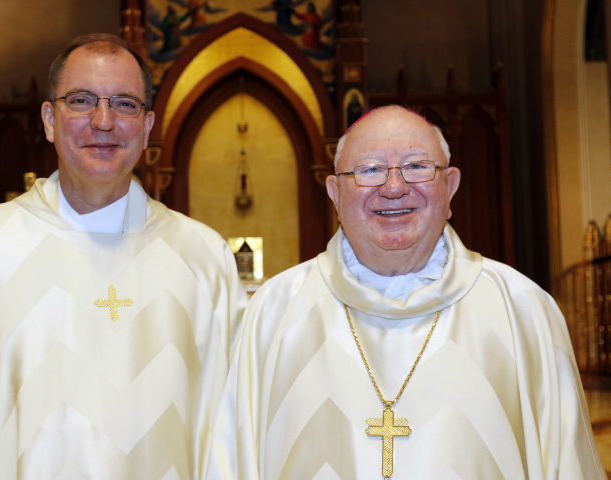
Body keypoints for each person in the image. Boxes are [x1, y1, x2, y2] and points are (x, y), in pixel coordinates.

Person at [0, 34, 247, 479]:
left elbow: (236, 436)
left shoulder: (203, 260)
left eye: (124, 104)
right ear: (49, 119)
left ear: (148, 125)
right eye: (80, 101)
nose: (103, 120)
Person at [210, 105, 604, 479]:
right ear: (334, 193)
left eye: (417, 167)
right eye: (369, 170)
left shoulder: (523, 310)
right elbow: (232, 462)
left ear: (450, 187)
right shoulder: (274, 313)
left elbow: (568, 463)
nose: (394, 187)